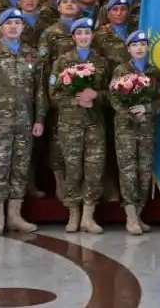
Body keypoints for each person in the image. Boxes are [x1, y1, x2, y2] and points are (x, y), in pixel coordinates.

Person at [0, 9, 45, 234]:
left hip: (25, 121)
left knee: (20, 169)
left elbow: (40, 92)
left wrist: (39, 118)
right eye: (9, 23)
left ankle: (15, 216)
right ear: (1, 28)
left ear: (23, 27)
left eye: (17, 23)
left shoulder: (32, 55)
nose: (14, 27)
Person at [49, 18, 110, 234]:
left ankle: (88, 216)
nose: (84, 36)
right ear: (73, 37)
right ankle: (73, 213)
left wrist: (97, 96)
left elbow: (113, 94)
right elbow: (53, 94)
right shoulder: (62, 62)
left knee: (94, 170)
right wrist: (75, 100)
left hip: (94, 123)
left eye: (87, 33)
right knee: (73, 169)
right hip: (70, 124)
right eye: (79, 33)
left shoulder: (102, 62)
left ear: (92, 36)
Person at [108, 30, 160, 235]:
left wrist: (146, 109)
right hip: (126, 128)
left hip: (147, 128)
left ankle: (139, 215)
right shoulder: (121, 70)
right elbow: (113, 99)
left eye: (143, 44)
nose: (139, 48)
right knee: (128, 171)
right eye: (135, 44)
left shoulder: (154, 72)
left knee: (144, 171)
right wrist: (130, 113)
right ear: (128, 48)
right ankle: (130, 217)